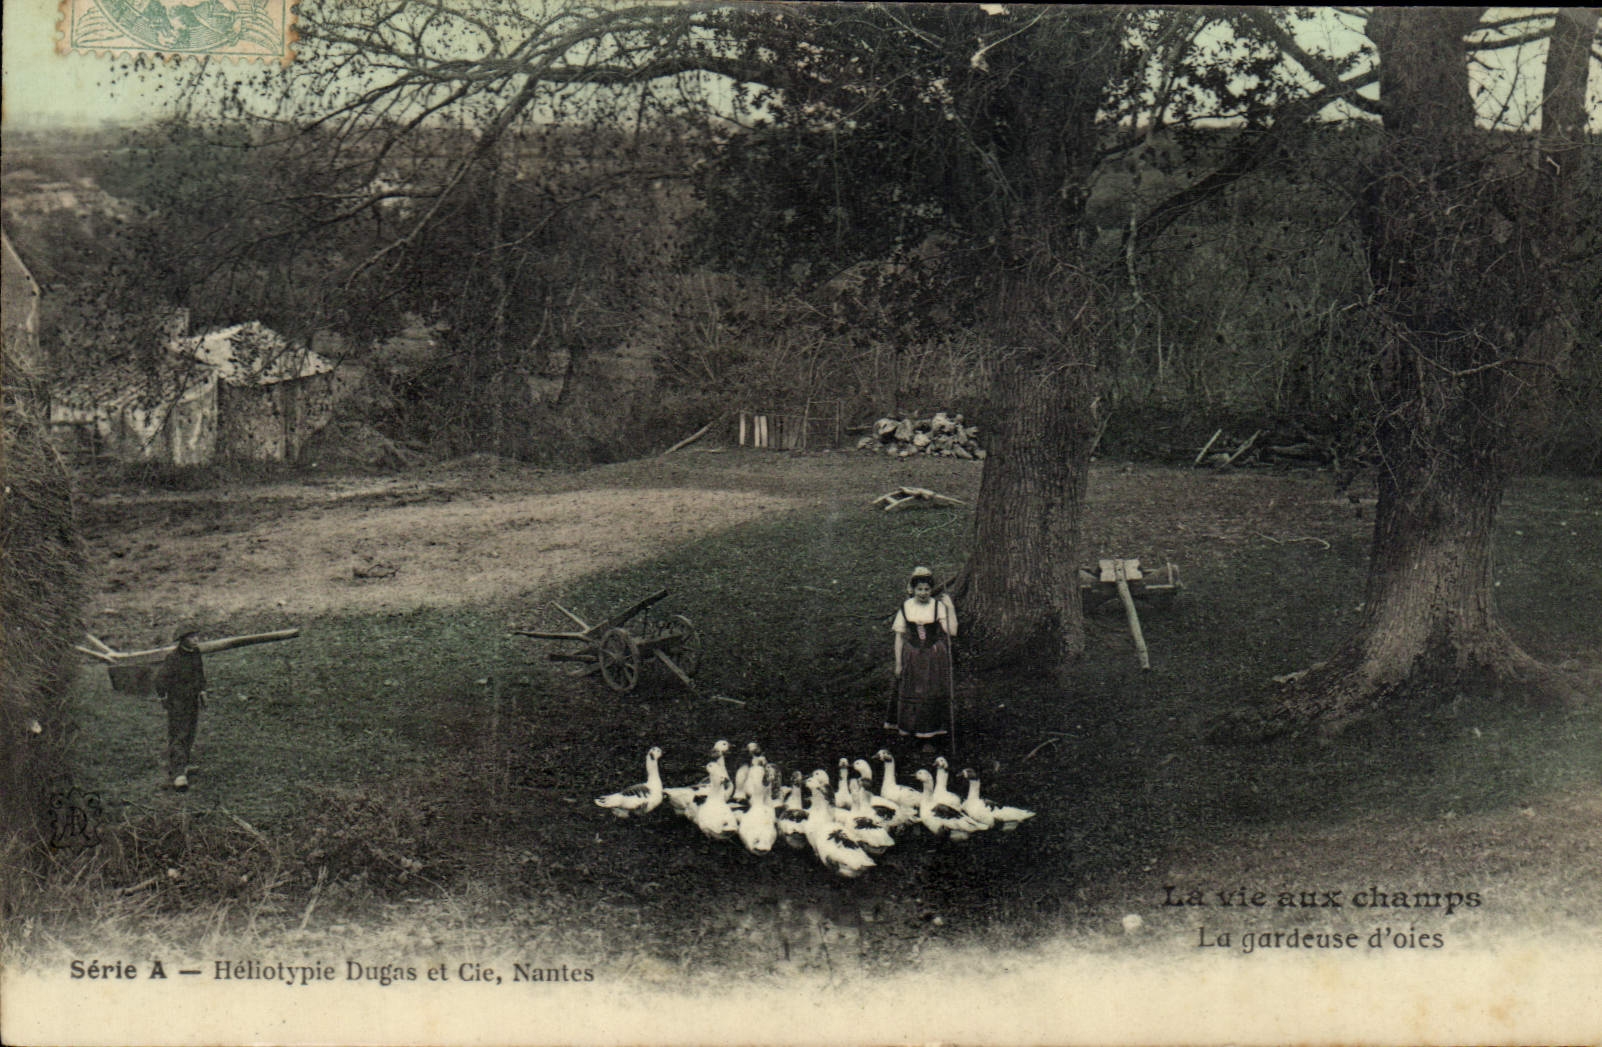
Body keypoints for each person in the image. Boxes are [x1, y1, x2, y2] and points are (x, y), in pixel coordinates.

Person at [888, 566, 958, 750]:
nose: (923, 593)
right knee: (911, 691)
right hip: (911, 655)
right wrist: (898, 663)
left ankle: (929, 734)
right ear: (913, 589)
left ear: (931, 589)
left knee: (929, 692)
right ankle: (909, 730)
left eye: (927, 589)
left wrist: (950, 608)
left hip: (933, 656)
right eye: (919, 589)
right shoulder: (906, 607)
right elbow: (899, 637)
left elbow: (952, 631)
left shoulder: (937, 606)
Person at [155, 630, 207, 791]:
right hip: (178, 701)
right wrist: (163, 697)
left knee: (190, 732)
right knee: (179, 734)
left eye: (196, 636)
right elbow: (160, 679)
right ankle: (178, 774)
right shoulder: (173, 658)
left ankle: (183, 764)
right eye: (191, 637)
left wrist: (202, 691)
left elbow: (199, 674)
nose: (196, 640)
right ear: (182, 640)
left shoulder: (196, 653)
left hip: (192, 699)